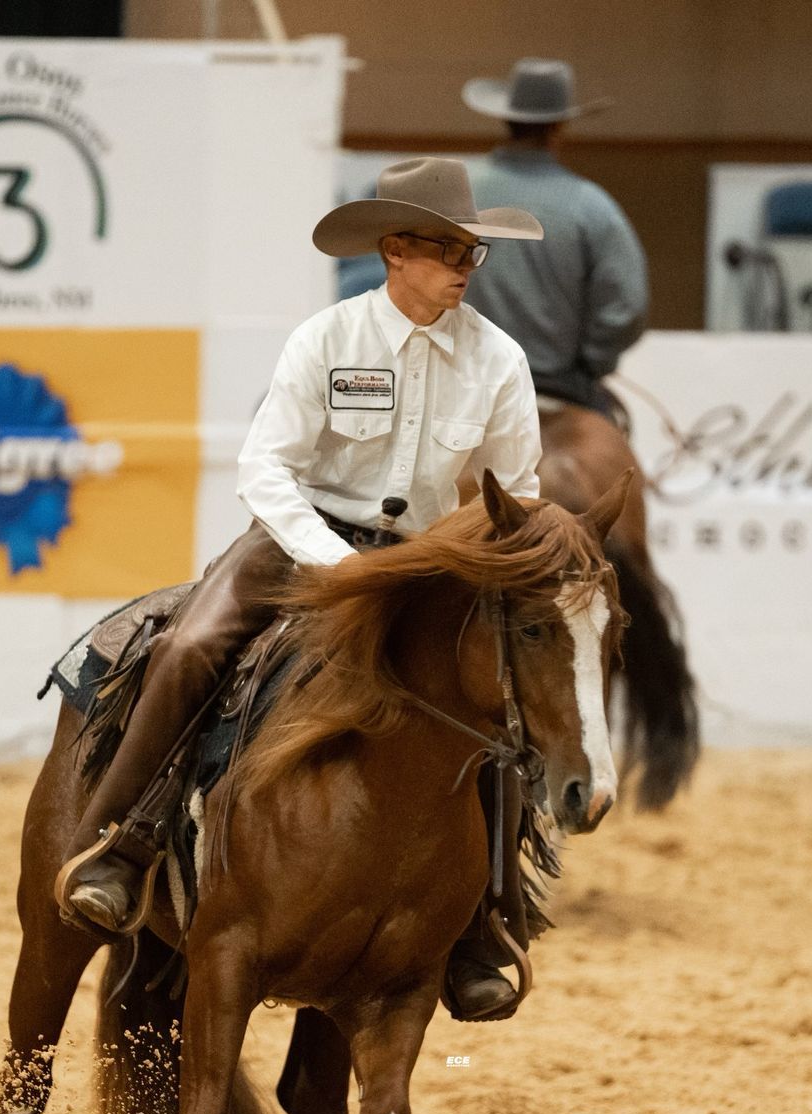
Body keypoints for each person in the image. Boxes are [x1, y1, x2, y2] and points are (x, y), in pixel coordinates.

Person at [57, 157, 548, 1023]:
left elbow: (519, 491)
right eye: (447, 248)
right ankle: (119, 845)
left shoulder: (498, 360)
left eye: (475, 251)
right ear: (396, 249)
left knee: (502, 707)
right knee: (189, 646)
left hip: (425, 566)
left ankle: (481, 919)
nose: (466, 265)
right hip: (297, 544)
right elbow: (266, 470)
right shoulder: (327, 339)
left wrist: (481, 563)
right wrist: (335, 562)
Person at [459, 58, 646, 424]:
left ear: (506, 118)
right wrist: (591, 362)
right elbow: (627, 306)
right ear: (560, 126)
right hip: (559, 382)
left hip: (464, 378)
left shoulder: (457, 191)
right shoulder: (593, 206)